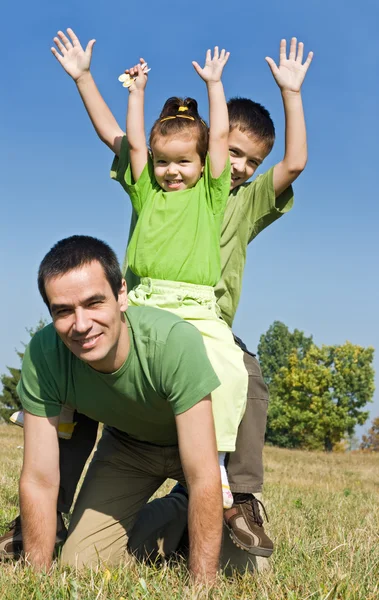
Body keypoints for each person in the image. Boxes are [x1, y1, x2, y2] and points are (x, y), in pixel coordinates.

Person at [0, 31, 312, 561]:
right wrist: (85, 78)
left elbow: (292, 163)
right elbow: (125, 139)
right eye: (230, 150)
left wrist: (290, 93)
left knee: (243, 373)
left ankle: (233, 494)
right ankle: (45, 514)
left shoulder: (231, 196)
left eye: (249, 160)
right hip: (144, 309)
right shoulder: (159, 183)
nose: (236, 165)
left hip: (202, 321)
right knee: (83, 381)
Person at [15, 234, 223, 582]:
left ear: (122, 294)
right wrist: (38, 579)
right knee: (80, 563)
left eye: (94, 303)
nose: (81, 325)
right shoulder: (43, 355)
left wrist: (202, 586)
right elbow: (38, 478)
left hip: (206, 450)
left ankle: (198, 513)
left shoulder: (172, 341)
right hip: (130, 447)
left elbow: (204, 474)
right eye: (63, 311)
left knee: (242, 566)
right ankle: (181, 510)